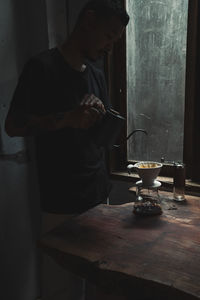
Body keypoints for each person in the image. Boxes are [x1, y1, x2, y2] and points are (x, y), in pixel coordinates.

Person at [5, 0, 129, 298]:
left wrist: (101, 114)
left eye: (115, 40)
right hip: (61, 205)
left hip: (98, 198)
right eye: (109, 36)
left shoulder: (97, 74)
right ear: (88, 20)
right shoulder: (42, 67)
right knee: (62, 290)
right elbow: (14, 126)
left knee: (104, 287)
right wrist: (65, 119)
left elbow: (103, 140)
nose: (110, 47)